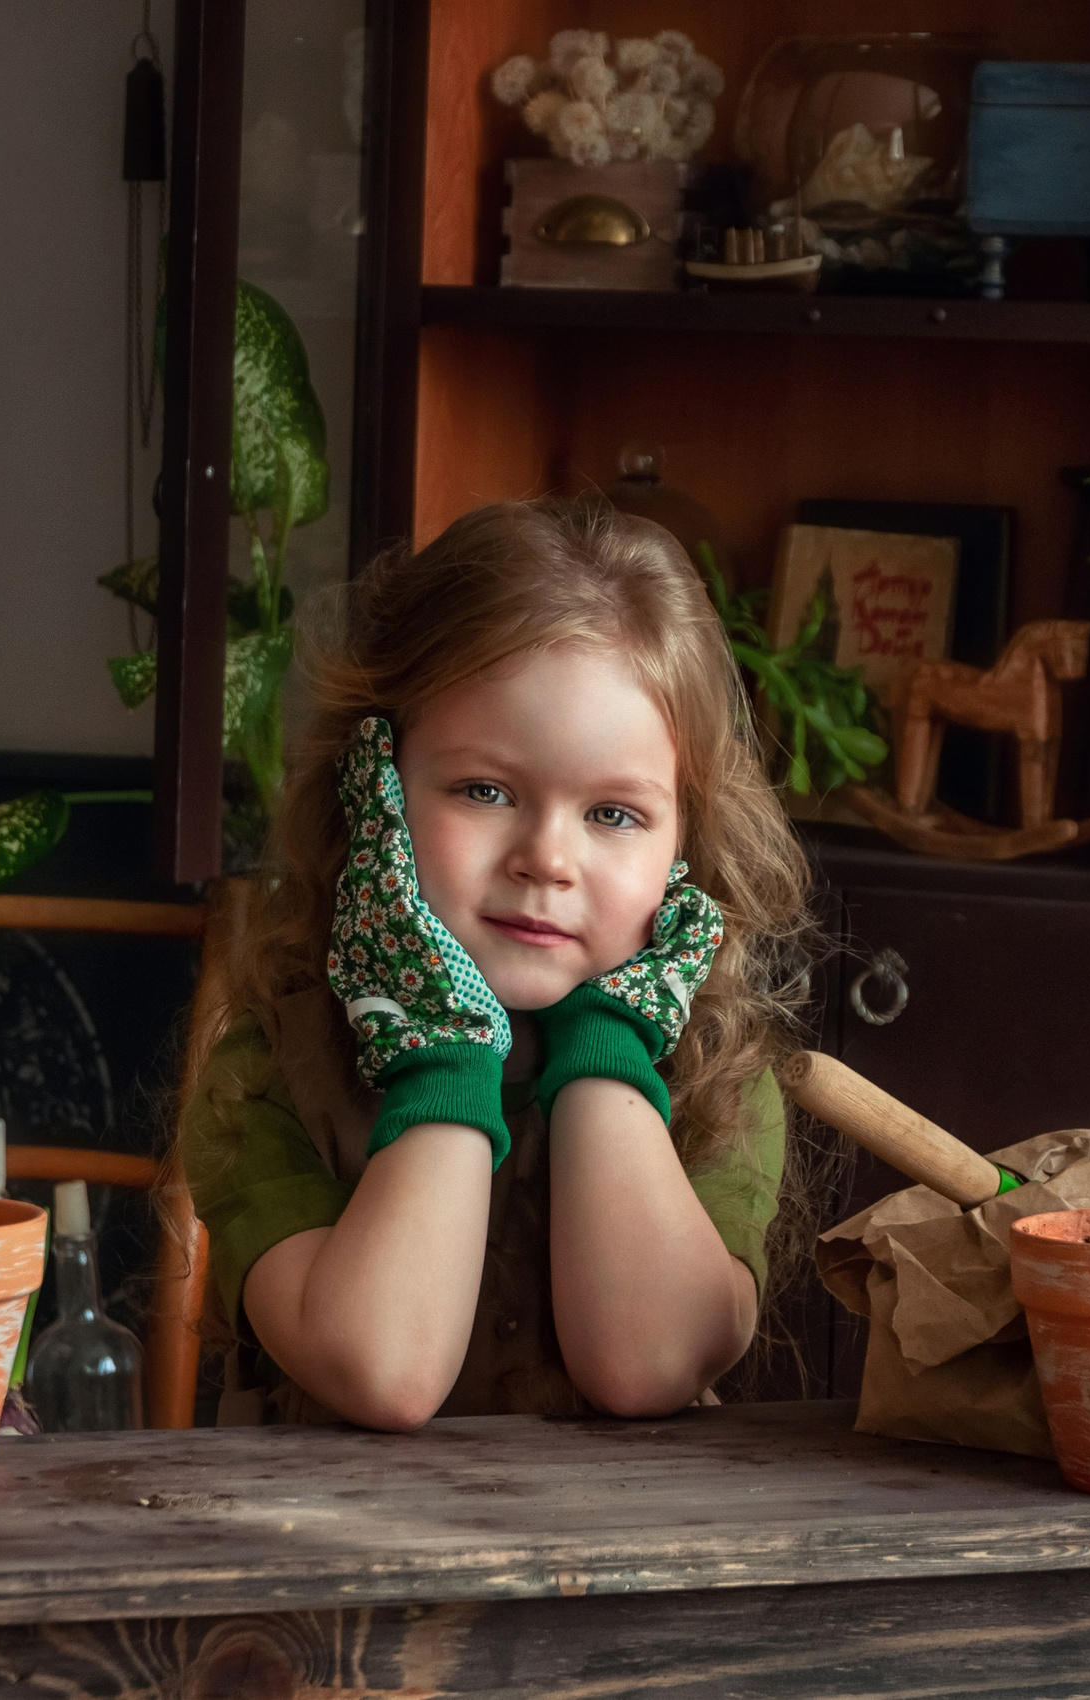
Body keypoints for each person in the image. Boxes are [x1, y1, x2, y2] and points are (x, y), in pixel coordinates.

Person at [180, 498, 815, 1430]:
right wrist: (443, 1049)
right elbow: (384, 1371)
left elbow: (643, 1368)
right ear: (374, 790)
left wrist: (607, 1048)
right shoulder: (272, 1068)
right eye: (484, 791)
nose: (547, 860)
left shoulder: (717, 1078)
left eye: (614, 814)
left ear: (685, 843)